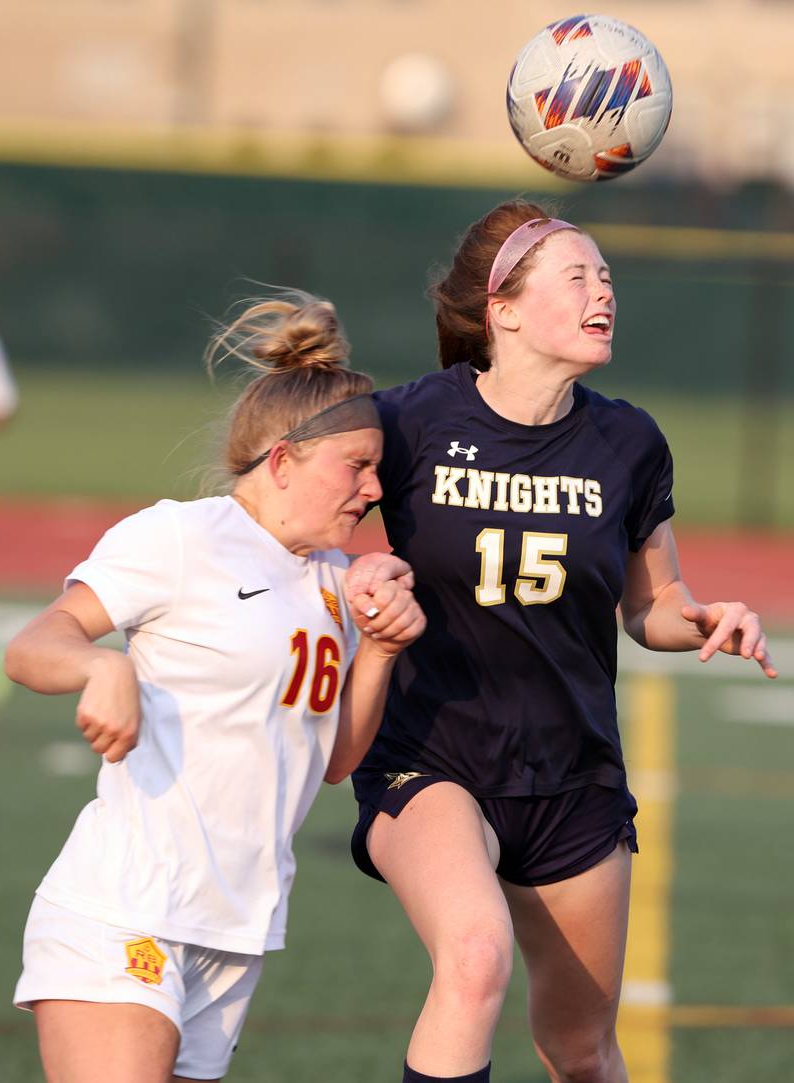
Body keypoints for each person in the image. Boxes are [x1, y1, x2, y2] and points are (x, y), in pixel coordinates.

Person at [344, 201, 777, 1083]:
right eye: (577, 275)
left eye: (607, 276)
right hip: (431, 757)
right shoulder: (409, 424)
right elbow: (303, 516)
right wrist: (348, 579)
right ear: (502, 308)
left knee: (580, 1049)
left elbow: (651, 605)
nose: (603, 291)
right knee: (474, 957)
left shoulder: (629, 440)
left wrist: (701, 620)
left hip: (572, 772)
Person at [5, 291, 425, 1083]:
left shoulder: (336, 583)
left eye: (378, 469)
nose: (373, 489)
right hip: (127, 905)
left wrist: (377, 652)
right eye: (357, 466)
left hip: (238, 928)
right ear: (282, 460)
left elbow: (333, 761)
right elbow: (34, 645)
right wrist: (103, 665)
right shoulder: (182, 536)